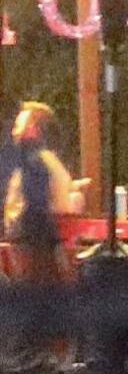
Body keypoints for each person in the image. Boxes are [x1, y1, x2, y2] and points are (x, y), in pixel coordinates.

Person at [3, 101, 90, 284]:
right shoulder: (40, 161)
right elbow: (63, 202)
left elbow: (57, 203)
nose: (14, 132)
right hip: (31, 239)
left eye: (19, 126)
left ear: (33, 129)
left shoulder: (38, 161)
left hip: (32, 241)